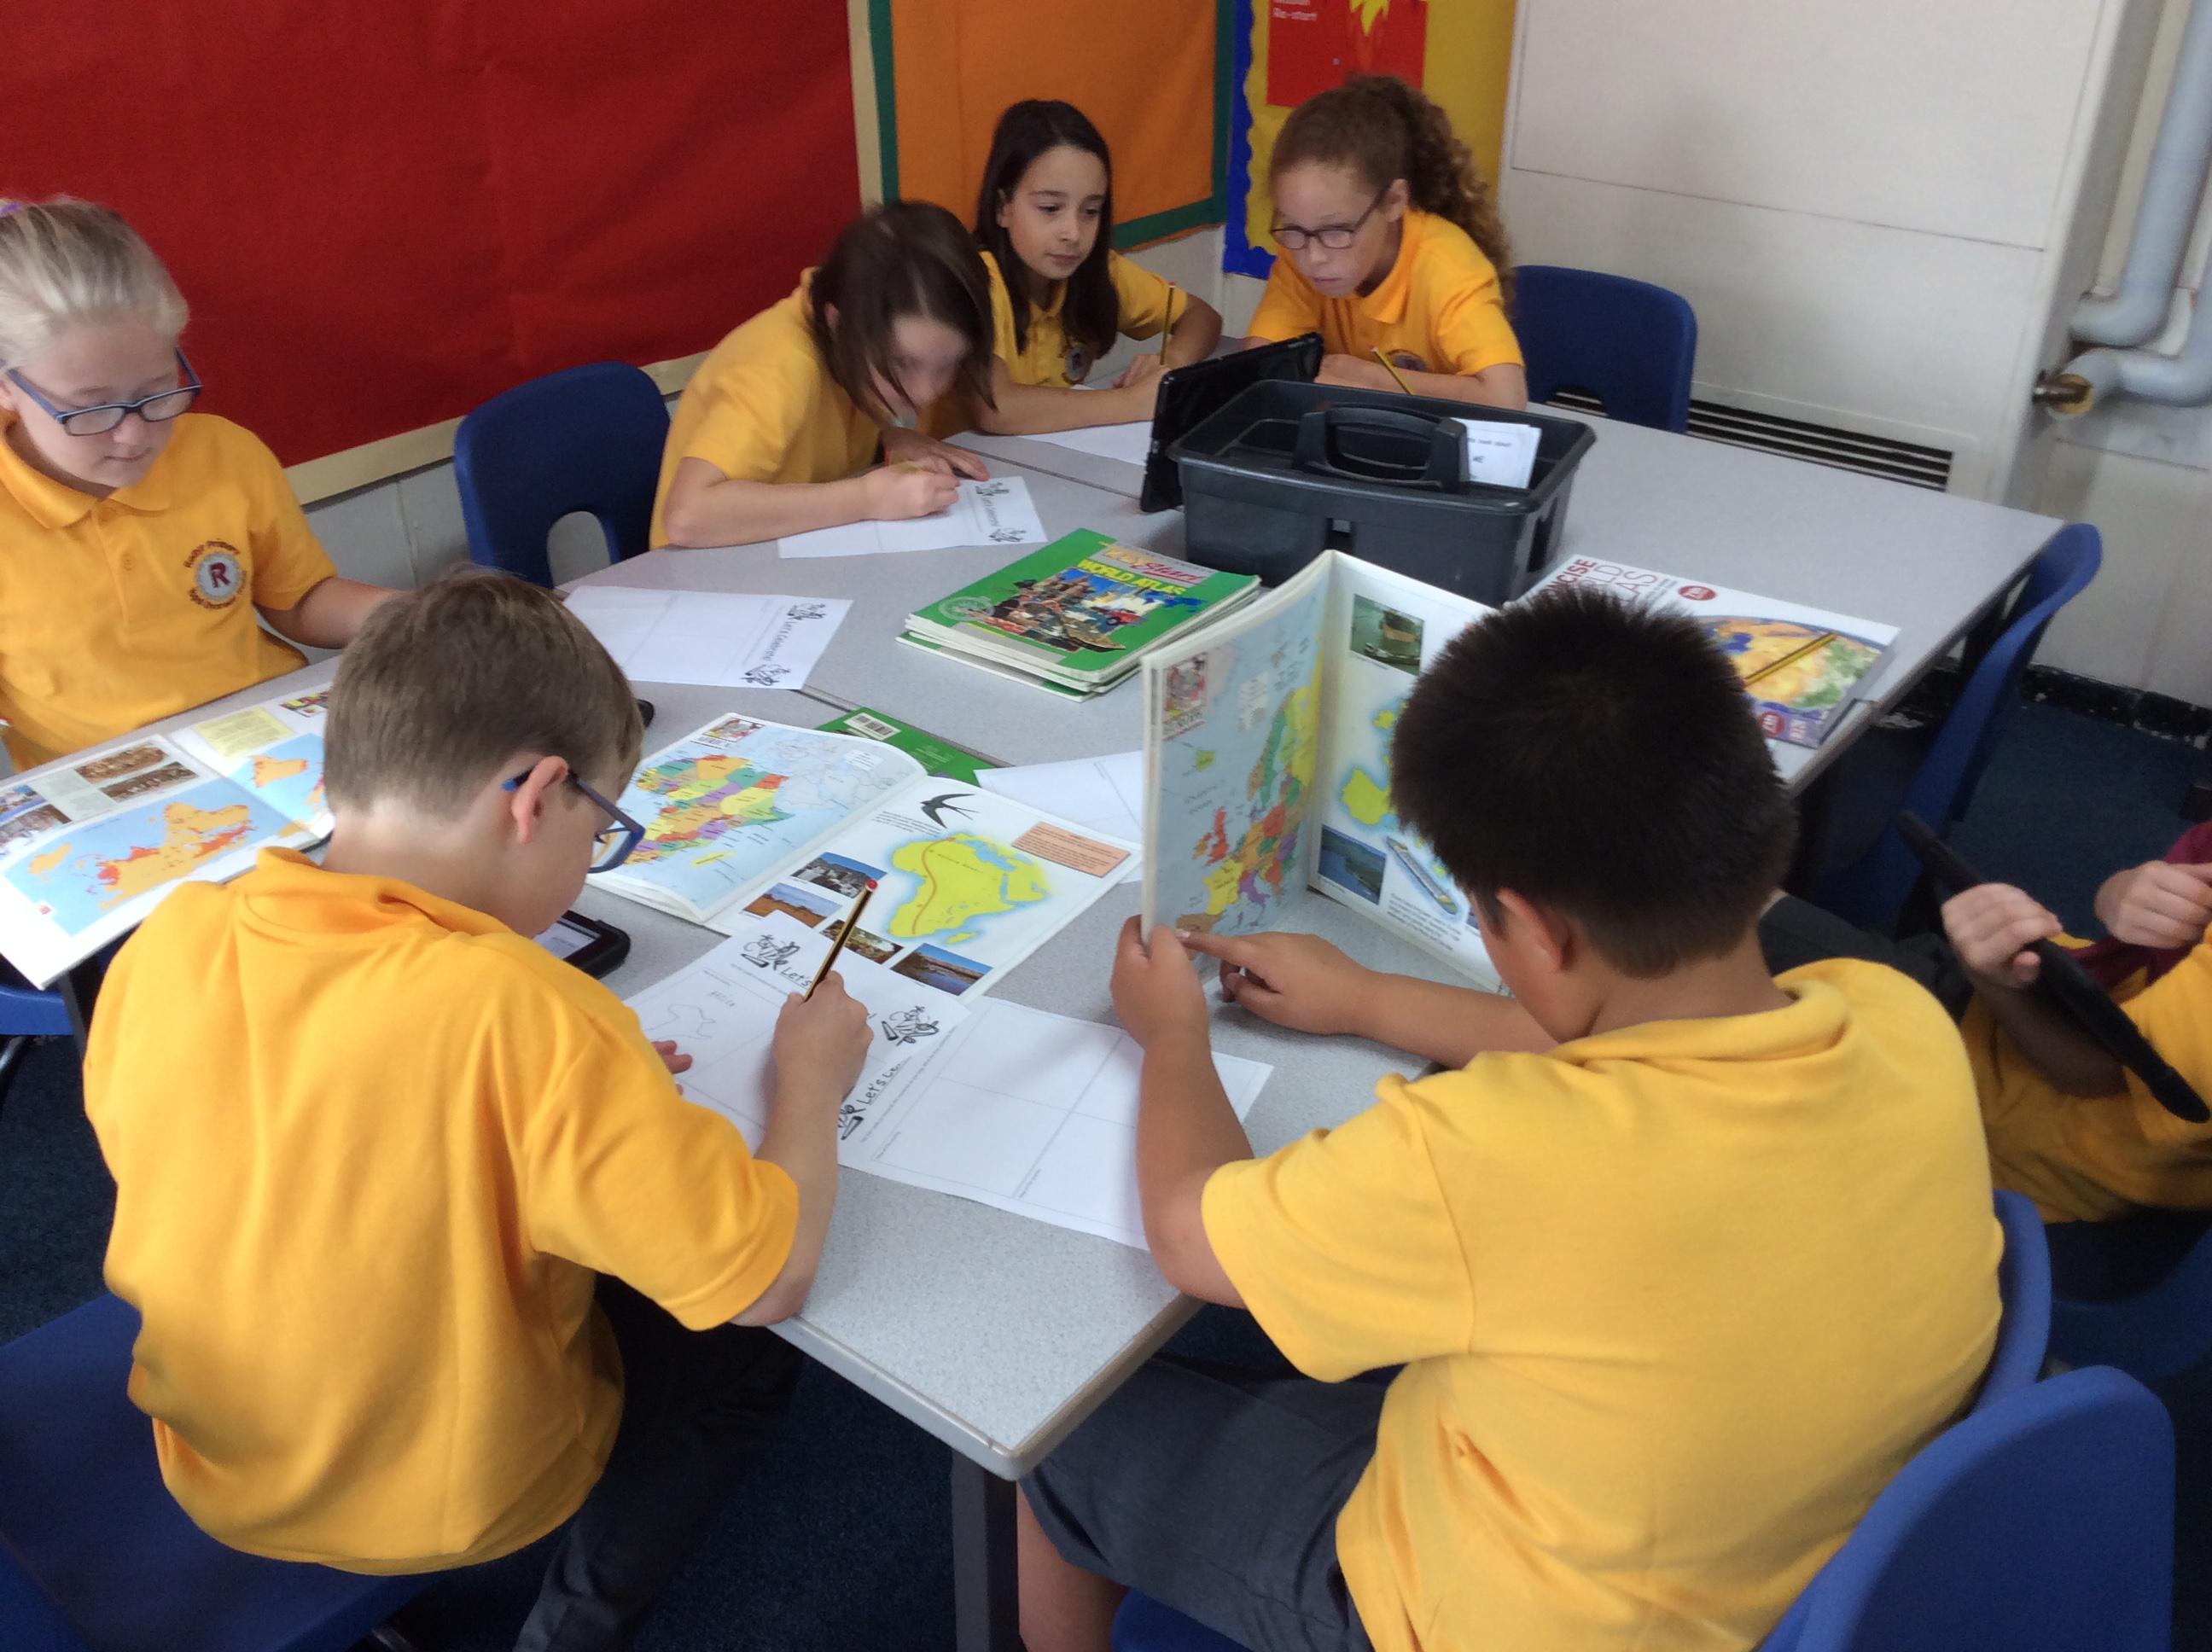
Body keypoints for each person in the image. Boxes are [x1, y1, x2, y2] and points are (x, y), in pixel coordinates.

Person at [1018, 586, 2000, 1652]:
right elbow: (1631, 1049)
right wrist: (1370, 999)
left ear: (1530, 926)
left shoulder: (1487, 1154)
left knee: (1054, 1440)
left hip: (1515, 1618)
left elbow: (1187, 1232)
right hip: (1784, 1555)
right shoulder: (1893, 1013)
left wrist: (1173, 1036)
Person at [82, 569, 871, 1650]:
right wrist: (813, 1080)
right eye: (603, 831)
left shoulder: (174, 932)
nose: (592, 863)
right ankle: (576, 1627)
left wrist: (559, 1095)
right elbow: (768, 1281)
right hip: (453, 1498)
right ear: (536, 797)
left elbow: (236, 1124)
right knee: (745, 1357)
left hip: (214, 1451)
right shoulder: (531, 1014)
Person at [0, 195, 393, 771]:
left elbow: (300, 600)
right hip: (109, 781)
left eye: (158, 391)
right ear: (7, 386)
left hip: (270, 738)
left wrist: (410, 616)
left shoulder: (223, 454)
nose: (134, 434)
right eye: (92, 409)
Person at [1769, 822, 2212, 1224]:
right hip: (2047, 993)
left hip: (2008, 1124)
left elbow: (2093, 1074)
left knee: (1745, 920)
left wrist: (1991, 980)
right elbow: (2134, 916)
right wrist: (2126, 892)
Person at [653, 201, 997, 548]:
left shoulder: (851, 334)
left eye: (948, 364)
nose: (926, 392)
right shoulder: (779, 367)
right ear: (838, 325)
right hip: (704, 566)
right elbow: (687, 518)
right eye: (902, 364)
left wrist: (887, 437)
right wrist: (865, 499)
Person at [939, 99, 1222, 436]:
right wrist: (1133, 402)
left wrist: (1171, 365)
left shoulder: (1097, 271)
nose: (1073, 233)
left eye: (1090, 211)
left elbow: (1201, 316)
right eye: (1050, 208)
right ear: (1003, 208)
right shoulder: (975, 281)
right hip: (963, 463)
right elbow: (996, 408)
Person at [1244, 74, 1525, 408]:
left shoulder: (1447, 268)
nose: (1313, 257)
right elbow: (1261, 365)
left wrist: (1372, 379)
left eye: (1337, 230)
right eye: (1293, 227)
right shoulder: (1302, 248)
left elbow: (1506, 398)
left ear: (1393, 202)